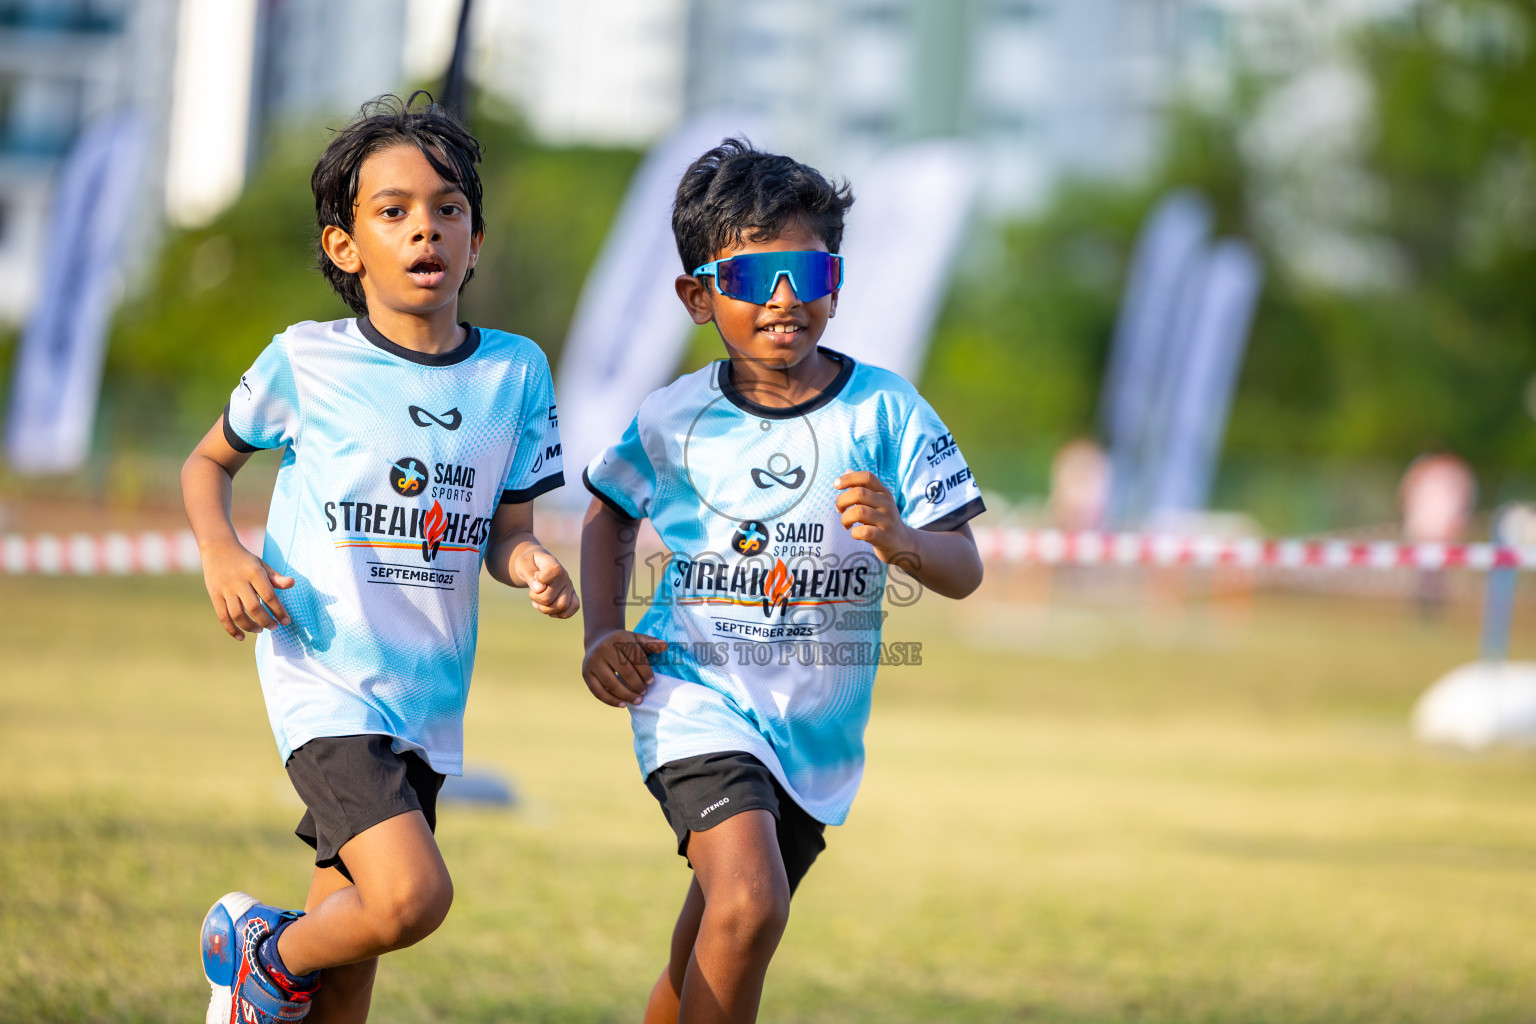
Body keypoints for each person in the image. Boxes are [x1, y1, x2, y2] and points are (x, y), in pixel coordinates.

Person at [181, 93, 578, 1024]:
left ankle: (278, 971)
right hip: (324, 675)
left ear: (477, 240)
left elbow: (509, 533)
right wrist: (221, 552)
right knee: (411, 899)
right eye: (392, 211)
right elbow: (207, 464)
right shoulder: (305, 360)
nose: (425, 230)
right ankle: (259, 950)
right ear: (344, 246)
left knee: (352, 958)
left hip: (428, 696)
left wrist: (531, 568)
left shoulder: (515, 373)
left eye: (448, 209)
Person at [580, 138, 986, 1024]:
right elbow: (608, 512)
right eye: (753, 274)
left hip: (815, 736)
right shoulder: (674, 416)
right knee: (750, 903)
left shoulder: (887, 410)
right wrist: (602, 632)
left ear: (834, 280)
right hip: (693, 695)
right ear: (697, 296)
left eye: (805, 268)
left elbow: (964, 567)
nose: (784, 298)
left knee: (708, 945)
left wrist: (903, 538)